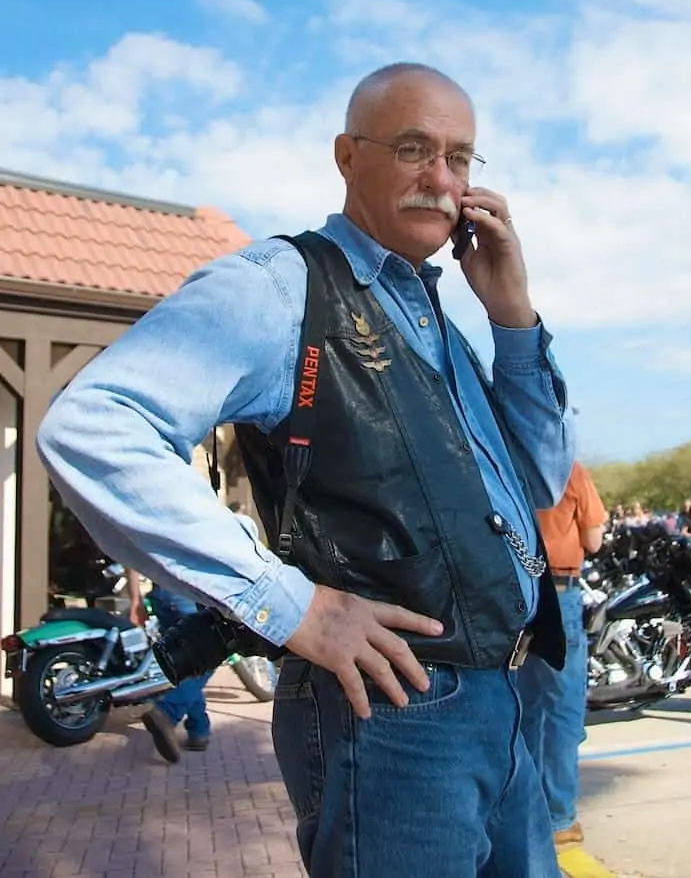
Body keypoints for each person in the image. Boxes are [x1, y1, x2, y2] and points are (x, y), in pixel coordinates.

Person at [36, 62, 574, 877]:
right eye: (413, 148)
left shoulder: (437, 317)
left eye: (460, 158)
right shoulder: (281, 285)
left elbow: (537, 482)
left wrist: (511, 316)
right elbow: (93, 424)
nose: (441, 179)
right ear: (346, 156)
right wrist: (292, 608)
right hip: (393, 716)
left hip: (505, 705)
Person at [518, 461, 607, 848]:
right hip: (559, 590)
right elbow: (595, 539)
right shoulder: (568, 470)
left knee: (522, 705)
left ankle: (522, 811)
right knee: (561, 707)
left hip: (513, 593)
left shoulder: (500, 456)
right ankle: (558, 818)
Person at [127, 569, 213, 761]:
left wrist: (135, 600)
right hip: (189, 592)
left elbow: (129, 557)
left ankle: (199, 729)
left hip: (163, 596)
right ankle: (167, 712)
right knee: (208, 655)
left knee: (188, 662)